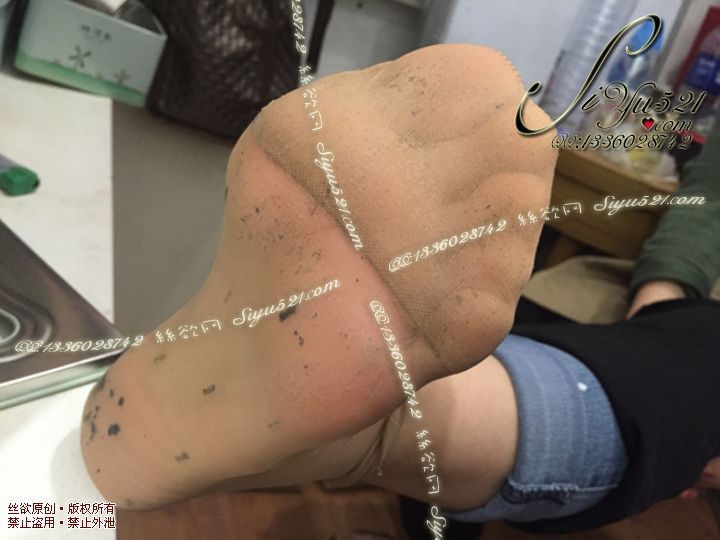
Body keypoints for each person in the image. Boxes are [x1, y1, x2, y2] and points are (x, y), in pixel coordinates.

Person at [79, 43, 720, 536]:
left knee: (683, 362)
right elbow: (709, 203)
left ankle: (376, 425)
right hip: (659, 306)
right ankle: (372, 430)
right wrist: (666, 297)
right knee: (638, 356)